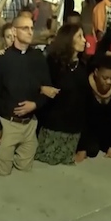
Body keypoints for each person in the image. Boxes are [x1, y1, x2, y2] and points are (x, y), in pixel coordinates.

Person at [0, 16, 52, 175]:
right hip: (8, 123)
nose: (30, 32)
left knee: (24, 166)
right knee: (3, 170)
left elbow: (47, 89)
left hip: (30, 124)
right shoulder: (0, 61)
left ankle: (10, 153)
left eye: (31, 28)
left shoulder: (38, 58)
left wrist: (35, 104)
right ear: (14, 31)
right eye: (25, 28)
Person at [34, 24, 88, 165]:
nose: (84, 40)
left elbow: (84, 102)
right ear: (68, 39)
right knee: (49, 158)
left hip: (74, 126)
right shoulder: (53, 63)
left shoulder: (83, 66)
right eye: (79, 37)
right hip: (54, 123)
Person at [76, 55, 111, 161]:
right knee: (92, 151)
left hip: (106, 124)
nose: (109, 82)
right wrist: (82, 148)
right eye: (105, 78)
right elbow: (82, 117)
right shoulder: (85, 84)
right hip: (89, 126)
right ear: (96, 72)